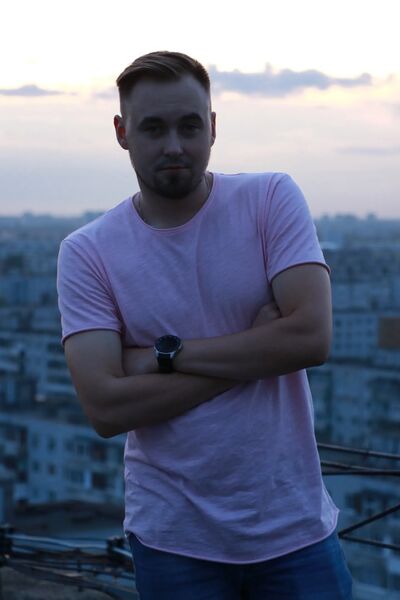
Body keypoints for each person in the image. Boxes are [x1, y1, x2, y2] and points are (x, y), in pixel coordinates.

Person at [57, 51, 353, 599]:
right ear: (122, 133)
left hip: (293, 530)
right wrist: (259, 351)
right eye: (154, 128)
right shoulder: (88, 252)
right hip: (174, 541)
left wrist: (161, 357)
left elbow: (311, 339)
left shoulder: (269, 199)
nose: (174, 145)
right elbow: (105, 408)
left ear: (213, 127)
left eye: (189, 126)